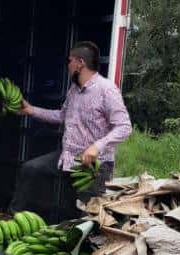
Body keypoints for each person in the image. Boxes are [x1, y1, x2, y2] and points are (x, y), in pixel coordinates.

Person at [9, 41, 131, 217]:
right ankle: (14, 216)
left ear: (80, 63)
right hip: (68, 156)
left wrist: (97, 146)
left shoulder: (107, 90)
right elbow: (62, 116)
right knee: (31, 169)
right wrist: (30, 110)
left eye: (70, 60)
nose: (68, 65)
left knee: (87, 214)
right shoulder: (74, 90)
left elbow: (124, 126)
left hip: (93, 166)